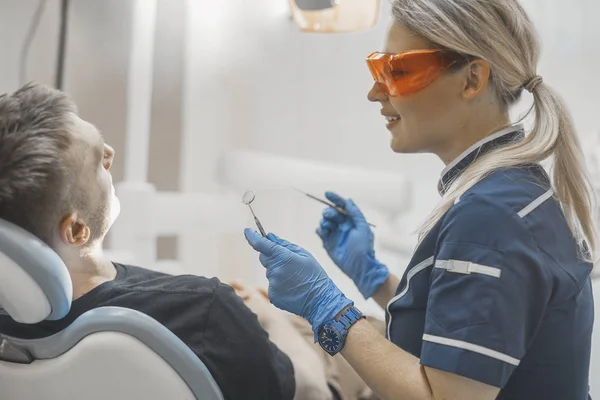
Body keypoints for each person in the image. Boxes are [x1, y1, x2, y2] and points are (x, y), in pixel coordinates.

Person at [244, 0, 596, 399]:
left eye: (396, 71)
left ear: (472, 79)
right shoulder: (513, 192)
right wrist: (374, 279)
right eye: (378, 69)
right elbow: (468, 340)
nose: (375, 93)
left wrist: (326, 307)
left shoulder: (491, 214)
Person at [0, 84, 298, 400]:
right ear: (75, 231)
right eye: (97, 160)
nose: (111, 153)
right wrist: (271, 317)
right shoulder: (206, 310)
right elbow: (306, 391)